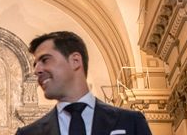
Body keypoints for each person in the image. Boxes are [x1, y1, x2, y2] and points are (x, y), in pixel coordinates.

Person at [17, 31, 152, 135]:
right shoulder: (28, 134)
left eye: (45, 60)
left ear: (75, 61)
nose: (37, 70)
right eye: (35, 64)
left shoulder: (130, 122)